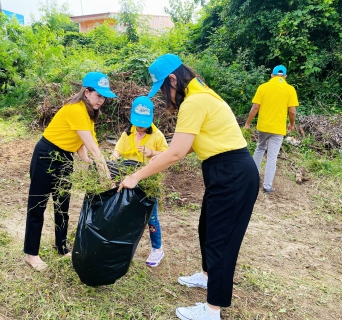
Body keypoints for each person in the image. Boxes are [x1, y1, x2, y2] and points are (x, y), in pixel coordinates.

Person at [117, 54, 259, 320]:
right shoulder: (201, 94)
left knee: (221, 241)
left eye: (162, 89)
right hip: (224, 172)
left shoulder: (195, 101)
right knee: (206, 228)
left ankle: (212, 310)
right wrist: (158, 155)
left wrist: (136, 176)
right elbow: (190, 143)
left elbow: (176, 153)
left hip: (232, 173)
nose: (163, 96)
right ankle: (207, 277)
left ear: (173, 79)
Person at [24, 72, 116, 272]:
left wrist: (84, 158)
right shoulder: (75, 110)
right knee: (38, 205)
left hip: (65, 157)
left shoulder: (89, 113)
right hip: (46, 154)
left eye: (104, 96)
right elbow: (93, 146)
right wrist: (106, 176)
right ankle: (31, 254)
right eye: (98, 95)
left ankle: (61, 245)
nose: (102, 100)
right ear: (86, 92)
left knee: (62, 203)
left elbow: (82, 140)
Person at [111, 96, 168, 267]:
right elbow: (117, 150)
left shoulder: (157, 135)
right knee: (125, 213)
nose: (140, 126)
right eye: (138, 122)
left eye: (144, 122)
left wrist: (152, 152)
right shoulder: (128, 133)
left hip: (148, 181)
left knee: (151, 216)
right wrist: (112, 159)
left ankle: (157, 249)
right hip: (129, 180)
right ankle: (122, 247)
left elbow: (169, 154)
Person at [244, 65, 299, 193]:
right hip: (278, 129)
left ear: (272, 75)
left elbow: (255, 107)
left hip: (263, 126)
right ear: (285, 76)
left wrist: (247, 123)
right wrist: (291, 124)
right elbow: (292, 111)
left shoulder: (263, 87)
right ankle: (267, 186)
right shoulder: (290, 89)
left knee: (260, 148)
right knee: (272, 156)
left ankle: (252, 179)